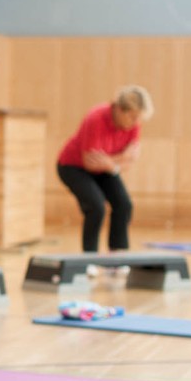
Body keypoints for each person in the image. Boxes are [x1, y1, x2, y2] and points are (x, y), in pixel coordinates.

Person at [56, 85, 154, 269]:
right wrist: (120, 159)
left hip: (107, 169)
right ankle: (89, 259)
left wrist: (111, 163)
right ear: (119, 109)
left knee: (124, 204)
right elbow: (90, 162)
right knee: (96, 206)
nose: (135, 122)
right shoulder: (96, 117)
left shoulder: (134, 125)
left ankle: (117, 257)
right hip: (73, 167)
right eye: (132, 116)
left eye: (138, 118)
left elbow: (130, 161)